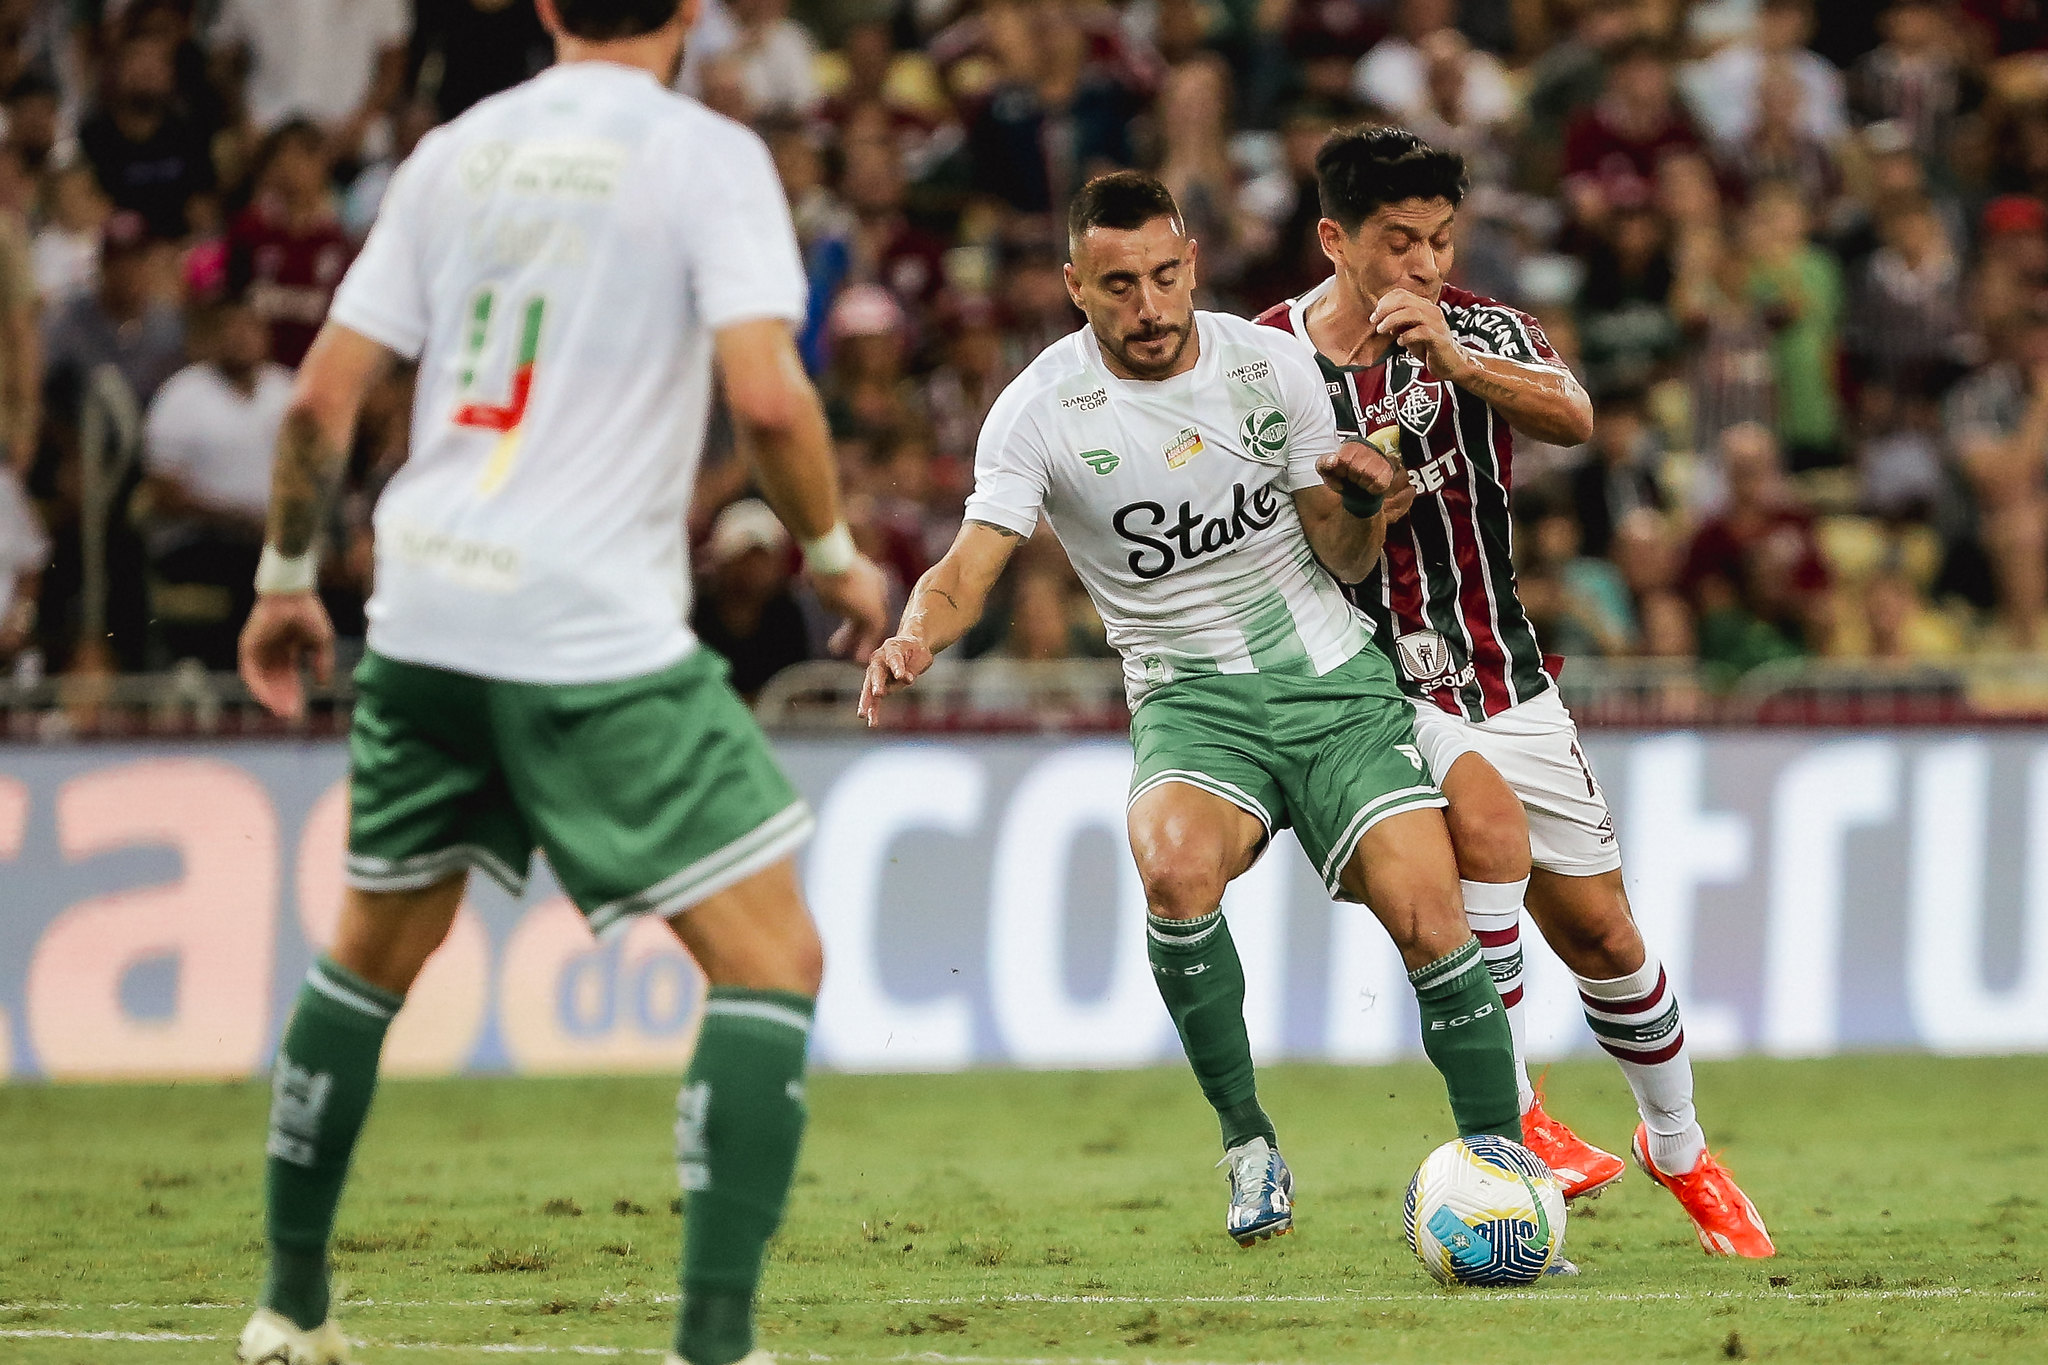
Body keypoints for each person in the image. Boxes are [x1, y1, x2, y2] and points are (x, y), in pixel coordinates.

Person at [230, 2, 890, 1363]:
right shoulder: (706, 155)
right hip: (588, 626)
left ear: (543, 7)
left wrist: (286, 578)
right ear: (691, 10)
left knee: (368, 955)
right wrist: (830, 553)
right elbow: (767, 397)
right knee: (772, 959)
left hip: (424, 609)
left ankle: (288, 1309)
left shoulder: (451, 153)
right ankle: (714, 1340)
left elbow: (317, 402)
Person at [859, 171, 1524, 1251]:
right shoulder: (1038, 410)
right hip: (1190, 705)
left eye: (1165, 276)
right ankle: (1246, 1141)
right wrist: (914, 634)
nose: (1148, 306)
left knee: (1429, 914)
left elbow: (1341, 552)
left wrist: (1361, 502)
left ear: (1191, 264)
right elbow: (970, 564)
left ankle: (1506, 1180)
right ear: (1074, 284)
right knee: (1171, 867)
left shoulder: (1268, 368)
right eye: (1117, 285)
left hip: (1335, 696)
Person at [1258, 126, 1774, 1257]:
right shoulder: (1265, 359)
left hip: (1501, 668)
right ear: (1335, 239)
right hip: (1365, 679)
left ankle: (1675, 1147)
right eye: (1400, 244)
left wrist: (1453, 356)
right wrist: (1349, 511)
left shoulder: (1483, 327)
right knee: (1479, 824)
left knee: (1602, 936)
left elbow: (1573, 417)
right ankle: (1520, 1113)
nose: (1426, 265)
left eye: (1443, 240)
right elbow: (1270, 535)